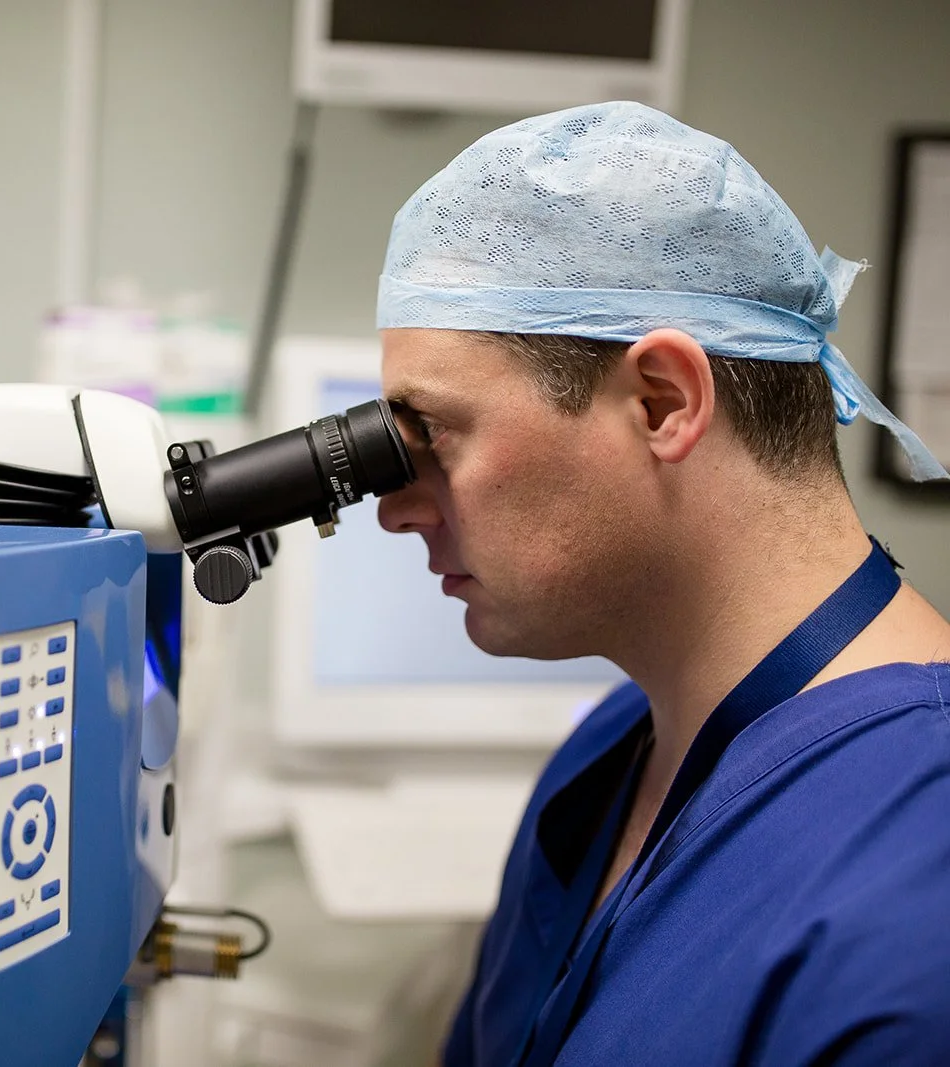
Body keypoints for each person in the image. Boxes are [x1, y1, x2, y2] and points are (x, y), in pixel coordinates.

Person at [371, 101, 950, 1066]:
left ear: (662, 403)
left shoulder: (914, 893)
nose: (397, 509)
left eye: (433, 432)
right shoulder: (611, 751)